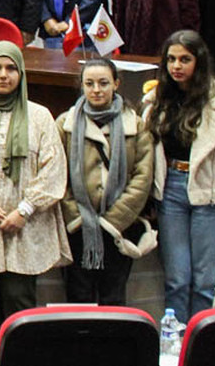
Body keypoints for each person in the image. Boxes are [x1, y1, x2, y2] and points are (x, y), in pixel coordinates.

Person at [0, 41, 70, 352]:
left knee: (21, 303)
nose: (3, 75)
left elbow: (53, 170)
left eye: (10, 69)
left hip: (25, 226)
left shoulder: (40, 116)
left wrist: (24, 209)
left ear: (21, 73)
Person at [143, 30, 215, 319]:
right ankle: (175, 347)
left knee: (205, 282)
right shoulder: (158, 98)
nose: (176, 66)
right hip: (171, 191)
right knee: (177, 280)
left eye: (185, 59)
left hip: (211, 194)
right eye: (171, 59)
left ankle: (202, 345)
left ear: (199, 61)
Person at [58, 58, 153, 305]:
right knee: (78, 296)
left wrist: (112, 222)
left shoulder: (136, 125)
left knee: (114, 296)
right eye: (89, 83)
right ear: (81, 85)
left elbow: (142, 177)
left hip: (120, 227)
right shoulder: (64, 124)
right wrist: (77, 218)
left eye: (103, 83)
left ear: (116, 84)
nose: (96, 90)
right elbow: (58, 176)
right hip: (78, 228)